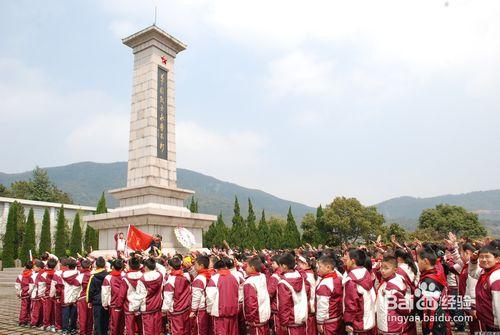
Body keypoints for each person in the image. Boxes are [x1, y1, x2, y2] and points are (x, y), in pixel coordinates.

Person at [416, 246, 450, 335]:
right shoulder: (436, 273)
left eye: (418, 261)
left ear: (426, 261)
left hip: (434, 323)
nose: (417, 263)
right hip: (440, 318)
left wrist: (429, 329)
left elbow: (429, 309)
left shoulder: (428, 281)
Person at [375, 255, 413, 335]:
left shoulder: (392, 288)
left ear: (395, 270)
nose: (382, 271)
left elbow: (404, 309)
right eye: (381, 267)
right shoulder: (391, 279)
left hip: (390, 326)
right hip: (386, 324)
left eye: (386, 268)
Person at [342, 248, 376, 335]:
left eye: (348, 258)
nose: (346, 260)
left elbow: (351, 304)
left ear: (353, 261)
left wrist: (348, 322)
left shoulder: (351, 280)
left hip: (358, 323)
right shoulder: (365, 272)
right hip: (368, 320)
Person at [469, 244, 500, 331]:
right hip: (487, 322)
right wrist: (473, 260)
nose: (483, 259)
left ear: (497, 259)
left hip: (495, 326)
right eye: (481, 257)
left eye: (487, 257)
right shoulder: (485, 271)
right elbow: (472, 273)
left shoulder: (496, 277)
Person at [206, 258, 240, 335]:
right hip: (233, 312)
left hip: (219, 314)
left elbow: (210, 298)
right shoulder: (234, 277)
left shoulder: (214, 278)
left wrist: (209, 310)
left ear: (217, 269)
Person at [277, 253, 308, 335]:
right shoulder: (301, 277)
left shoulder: (283, 283)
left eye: (280, 266)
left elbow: (284, 304)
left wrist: (283, 322)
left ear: (284, 266)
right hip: (301, 317)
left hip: (291, 320)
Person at [315, 254, 344, 335]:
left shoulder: (325, 284)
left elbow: (322, 305)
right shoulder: (339, 277)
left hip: (328, 321)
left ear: (328, 267)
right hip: (337, 317)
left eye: (320, 267)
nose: (318, 269)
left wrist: (319, 322)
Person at [163, 257, 192, 335]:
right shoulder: (186, 276)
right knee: (186, 331)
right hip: (186, 308)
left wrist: (164, 310)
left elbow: (167, 299)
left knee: (176, 331)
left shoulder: (170, 281)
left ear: (170, 267)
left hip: (176, 311)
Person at [243, 256, 271, 335]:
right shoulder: (262, 276)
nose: (245, 268)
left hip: (256, 319)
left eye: (247, 266)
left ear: (252, 267)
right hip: (264, 316)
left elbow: (250, 304)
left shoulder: (250, 282)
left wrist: (251, 319)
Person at [136, 258, 164, 334]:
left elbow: (140, 295)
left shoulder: (142, 279)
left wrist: (135, 308)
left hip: (146, 308)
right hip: (157, 306)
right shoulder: (160, 275)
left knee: (148, 330)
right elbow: (162, 268)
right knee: (157, 330)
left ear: (146, 267)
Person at [119, 257, 143, 335]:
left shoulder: (125, 278)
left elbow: (122, 294)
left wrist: (118, 305)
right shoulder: (143, 276)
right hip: (141, 304)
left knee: (130, 328)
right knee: (141, 327)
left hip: (129, 305)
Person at [87, 256, 110, 335]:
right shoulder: (108, 275)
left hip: (97, 301)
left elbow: (90, 290)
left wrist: (89, 300)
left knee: (97, 320)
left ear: (96, 265)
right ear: (104, 265)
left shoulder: (93, 277)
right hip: (107, 300)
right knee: (105, 320)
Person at [102, 258, 126, 335]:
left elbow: (105, 292)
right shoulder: (125, 276)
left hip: (113, 304)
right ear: (122, 268)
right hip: (123, 303)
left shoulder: (108, 278)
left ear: (112, 267)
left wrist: (104, 304)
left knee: (114, 325)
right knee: (122, 324)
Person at [190, 255, 212, 335]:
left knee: (200, 331)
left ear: (201, 266)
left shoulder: (199, 278)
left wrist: (193, 310)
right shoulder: (210, 275)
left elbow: (196, 296)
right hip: (208, 307)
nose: (194, 267)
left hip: (201, 309)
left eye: (195, 265)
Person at [60, 258, 81, 334]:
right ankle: (73, 328)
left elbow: (60, 285)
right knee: (74, 313)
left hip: (66, 294)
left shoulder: (63, 274)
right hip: (75, 295)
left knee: (65, 313)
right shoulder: (78, 273)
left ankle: (65, 329)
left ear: (67, 266)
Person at [76, 259, 94, 335]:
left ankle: (82, 332)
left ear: (81, 267)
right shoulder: (93, 274)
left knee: (82, 317)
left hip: (82, 298)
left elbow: (76, 287)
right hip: (91, 298)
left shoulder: (80, 276)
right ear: (90, 266)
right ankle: (89, 332)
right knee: (90, 317)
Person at [267, 255, 283, 335]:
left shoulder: (275, 277)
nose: (271, 265)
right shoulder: (286, 273)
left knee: (277, 331)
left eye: (273, 263)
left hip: (276, 309)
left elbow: (269, 293)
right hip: (285, 309)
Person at [15, 261, 34, 327]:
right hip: (30, 293)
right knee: (30, 307)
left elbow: (17, 285)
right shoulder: (33, 274)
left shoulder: (20, 276)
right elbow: (32, 285)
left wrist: (19, 292)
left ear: (25, 267)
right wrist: (30, 292)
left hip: (23, 293)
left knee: (24, 307)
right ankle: (29, 319)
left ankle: (22, 320)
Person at [42, 258, 58, 331]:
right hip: (54, 294)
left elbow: (41, 285)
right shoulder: (57, 273)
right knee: (54, 310)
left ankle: (46, 324)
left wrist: (41, 294)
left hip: (46, 294)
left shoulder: (44, 274)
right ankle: (53, 324)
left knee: (47, 310)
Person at [30, 260, 46, 328]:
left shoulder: (34, 276)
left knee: (35, 310)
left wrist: (29, 292)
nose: (33, 268)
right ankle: (40, 322)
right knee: (41, 309)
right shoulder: (45, 274)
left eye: (34, 267)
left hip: (36, 295)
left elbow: (31, 286)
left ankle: (34, 322)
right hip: (43, 295)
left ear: (39, 268)